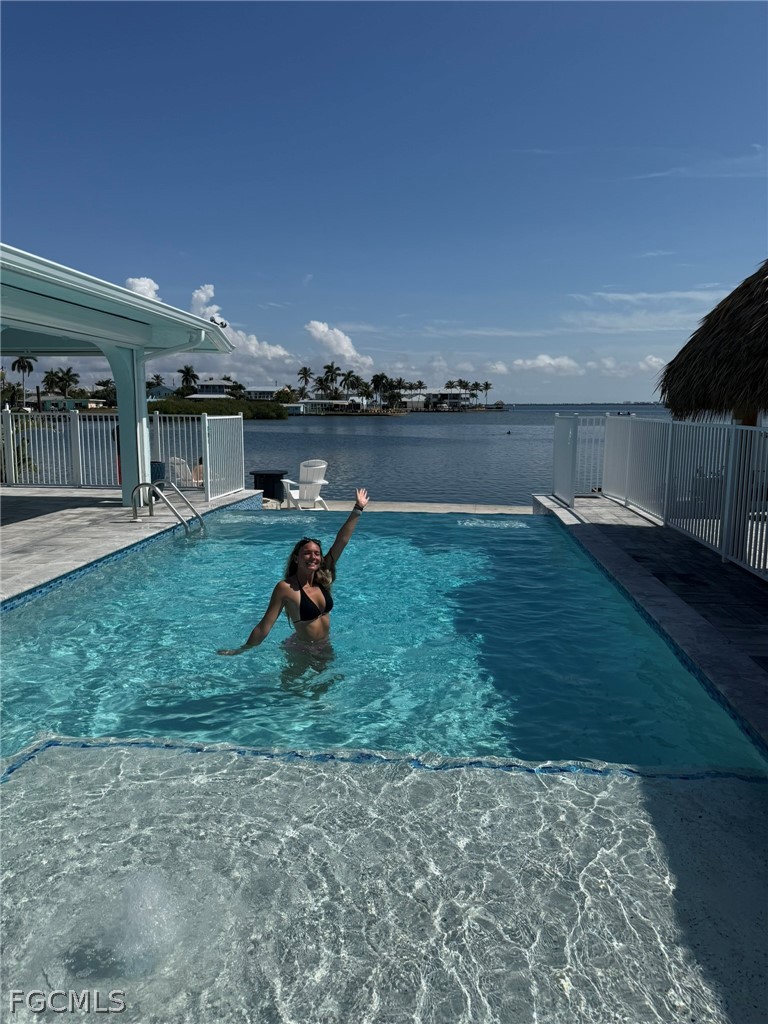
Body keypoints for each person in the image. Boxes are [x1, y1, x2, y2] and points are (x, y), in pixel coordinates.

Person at [217, 487, 369, 656]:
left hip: (324, 646)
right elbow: (264, 626)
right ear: (297, 558)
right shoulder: (286, 588)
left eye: (317, 553)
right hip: (301, 650)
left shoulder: (322, 576)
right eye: (307, 553)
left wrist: (358, 508)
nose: (313, 557)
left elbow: (342, 540)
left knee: (327, 682)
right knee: (292, 683)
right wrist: (240, 650)